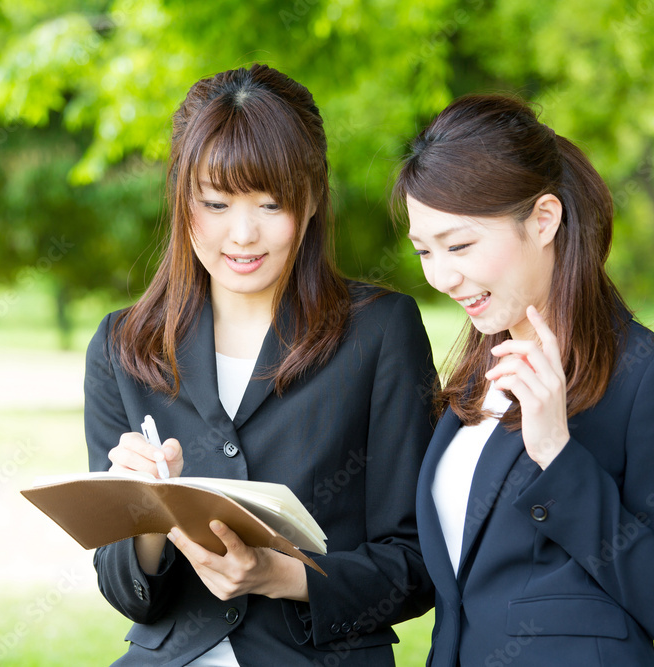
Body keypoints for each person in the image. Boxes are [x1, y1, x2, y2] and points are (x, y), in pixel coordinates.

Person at [83, 63, 437, 665]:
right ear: (182, 200)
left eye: (270, 204)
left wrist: (279, 575)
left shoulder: (379, 331)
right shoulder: (124, 345)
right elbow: (127, 593)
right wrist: (146, 516)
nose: (242, 234)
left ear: (313, 198)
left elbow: (416, 565)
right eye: (216, 203)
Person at [393, 94, 654, 666]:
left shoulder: (652, 377)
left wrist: (558, 455)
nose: (441, 276)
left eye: (460, 245)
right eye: (424, 250)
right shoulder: (474, 378)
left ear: (543, 219)